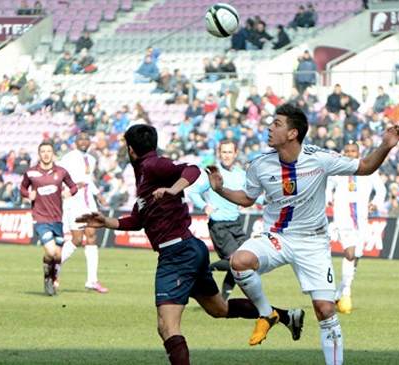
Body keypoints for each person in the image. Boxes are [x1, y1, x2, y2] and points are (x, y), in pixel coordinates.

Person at [76, 124, 304, 365]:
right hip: (189, 249)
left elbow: (192, 169)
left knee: (167, 327)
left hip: (177, 253)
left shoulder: (152, 165)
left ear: (131, 150)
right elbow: (137, 219)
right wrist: (106, 222)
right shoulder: (145, 177)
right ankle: (285, 316)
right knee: (218, 309)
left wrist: (173, 188)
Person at [206, 103, 399, 364]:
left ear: (292, 133)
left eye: (277, 124)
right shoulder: (259, 165)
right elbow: (246, 198)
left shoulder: (319, 158)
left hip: (313, 241)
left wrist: (386, 145)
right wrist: (220, 190)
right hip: (276, 237)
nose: (269, 127)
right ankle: (268, 314)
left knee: (325, 310)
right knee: (239, 262)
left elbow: (365, 166)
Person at [326, 142, 386, 314]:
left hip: (361, 219)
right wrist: (328, 197)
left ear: (359, 153)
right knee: (350, 253)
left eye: (353, 151)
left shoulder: (369, 170)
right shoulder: (338, 169)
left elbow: (381, 190)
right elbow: (328, 185)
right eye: (348, 151)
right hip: (343, 218)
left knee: (356, 257)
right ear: (343, 153)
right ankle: (347, 294)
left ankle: (338, 294)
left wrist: (375, 203)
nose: (351, 154)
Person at [188, 140, 250, 301]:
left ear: (236, 154)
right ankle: (203, 271)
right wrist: (204, 206)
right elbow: (193, 192)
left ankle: (223, 300)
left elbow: (249, 195)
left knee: (247, 261)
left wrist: (266, 201)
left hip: (236, 223)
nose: (227, 155)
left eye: (230, 152)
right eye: (224, 152)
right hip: (219, 225)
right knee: (235, 262)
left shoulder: (241, 174)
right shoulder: (212, 173)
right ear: (219, 154)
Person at [21, 141, 78, 296]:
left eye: (48, 151)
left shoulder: (61, 172)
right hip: (40, 218)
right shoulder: (31, 173)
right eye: (43, 151)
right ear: (39, 154)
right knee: (51, 251)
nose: (46, 154)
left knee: (58, 255)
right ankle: (47, 278)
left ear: (53, 154)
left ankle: (52, 279)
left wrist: (69, 193)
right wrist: (28, 195)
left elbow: (74, 186)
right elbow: (23, 188)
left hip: (57, 219)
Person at [58, 133, 109, 293]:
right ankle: (53, 269)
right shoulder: (69, 158)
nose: (84, 142)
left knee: (92, 236)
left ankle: (92, 280)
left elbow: (87, 180)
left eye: (86, 139)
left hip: (88, 202)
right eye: (80, 139)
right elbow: (60, 176)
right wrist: (65, 190)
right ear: (76, 142)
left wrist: (98, 194)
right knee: (77, 239)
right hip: (74, 202)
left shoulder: (91, 159)